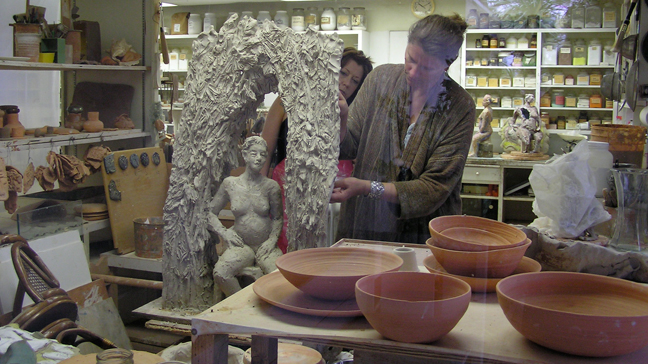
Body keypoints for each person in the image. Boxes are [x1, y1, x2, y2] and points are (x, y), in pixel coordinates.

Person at [330, 14, 476, 244]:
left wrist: (368, 188)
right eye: (410, 59)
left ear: (448, 63)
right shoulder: (380, 80)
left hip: (424, 237)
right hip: (366, 226)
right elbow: (349, 146)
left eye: (427, 67)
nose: (414, 72)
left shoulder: (459, 106)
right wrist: (342, 118)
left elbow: (433, 188)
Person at [261, 47, 373, 252]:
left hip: (335, 198)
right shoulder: (287, 100)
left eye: (355, 81)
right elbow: (264, 150)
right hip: (287, 191)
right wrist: (258, 192)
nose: (347, 83)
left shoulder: (356, 113)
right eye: (343, 72)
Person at [207, 136, 283, 299]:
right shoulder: (231, 184)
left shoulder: (271, 186)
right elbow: (210, 212)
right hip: (241, 246)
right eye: (254, 153)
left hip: (265, 247)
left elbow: (277, 218)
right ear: (245, 155)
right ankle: (242, 302)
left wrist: (271, 241)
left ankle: (267, 307)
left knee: (281, 277)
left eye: (263, 154)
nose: (259, 158)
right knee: (221, 273)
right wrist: (225, 233)